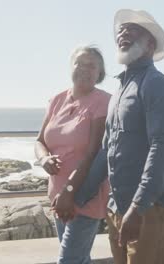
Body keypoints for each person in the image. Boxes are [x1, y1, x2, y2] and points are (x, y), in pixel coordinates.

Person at [104, 9, 164, 263]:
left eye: (133, 29)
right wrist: (78, 195)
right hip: (118, 206)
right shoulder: (119, 90)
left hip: (150, 208)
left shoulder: (158, 86)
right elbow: (105, 149)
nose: (123, 33)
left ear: (150, 44)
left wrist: (138, 206)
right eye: (121, 29)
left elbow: (162, 148)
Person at [34, 45, 111, 264]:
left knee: (69, 260)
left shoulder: (103, 101)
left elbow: (93, 152)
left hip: (84, 193)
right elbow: (40, 141)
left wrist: (69, 191)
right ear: (72, 66)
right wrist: (44, 158)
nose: (85, 69)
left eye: (92, 66)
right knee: (79, 259)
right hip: (58, 196)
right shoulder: (57, 99)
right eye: (80, 63)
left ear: (100, 74)